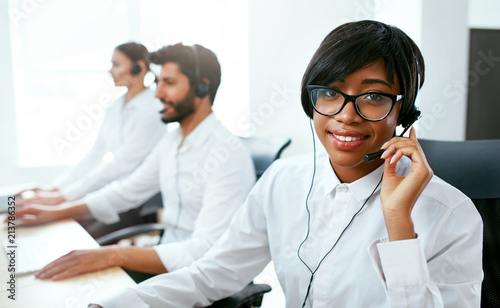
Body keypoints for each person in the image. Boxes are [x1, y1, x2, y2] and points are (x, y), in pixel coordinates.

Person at [91, 21, 483, 308]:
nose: (346, 115)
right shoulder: (284, 181)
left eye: (374, 97)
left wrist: (399, 222)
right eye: (330, 92)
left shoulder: (452, 216)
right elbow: (213, 273)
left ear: (404, 112)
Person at [15, 43, 256, 280]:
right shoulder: (172, 142)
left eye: (169, 83)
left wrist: (115, 254)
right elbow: (127, 190)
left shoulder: (227, 154)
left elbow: (205, 252)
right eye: (158, 82)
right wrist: (56, 211)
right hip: (168, 260)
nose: (158, 93)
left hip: (200, 278)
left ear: (203, 88)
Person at [17, 42, 165, 207]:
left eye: (116, 65)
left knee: (69, 219)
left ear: (139, 67)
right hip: (114, 189)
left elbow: (120, 164)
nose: (110, 71)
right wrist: (56, 189)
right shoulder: (115, 107)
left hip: (139, 198)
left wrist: (64, 196)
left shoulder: (154, 109)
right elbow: (95, 154)